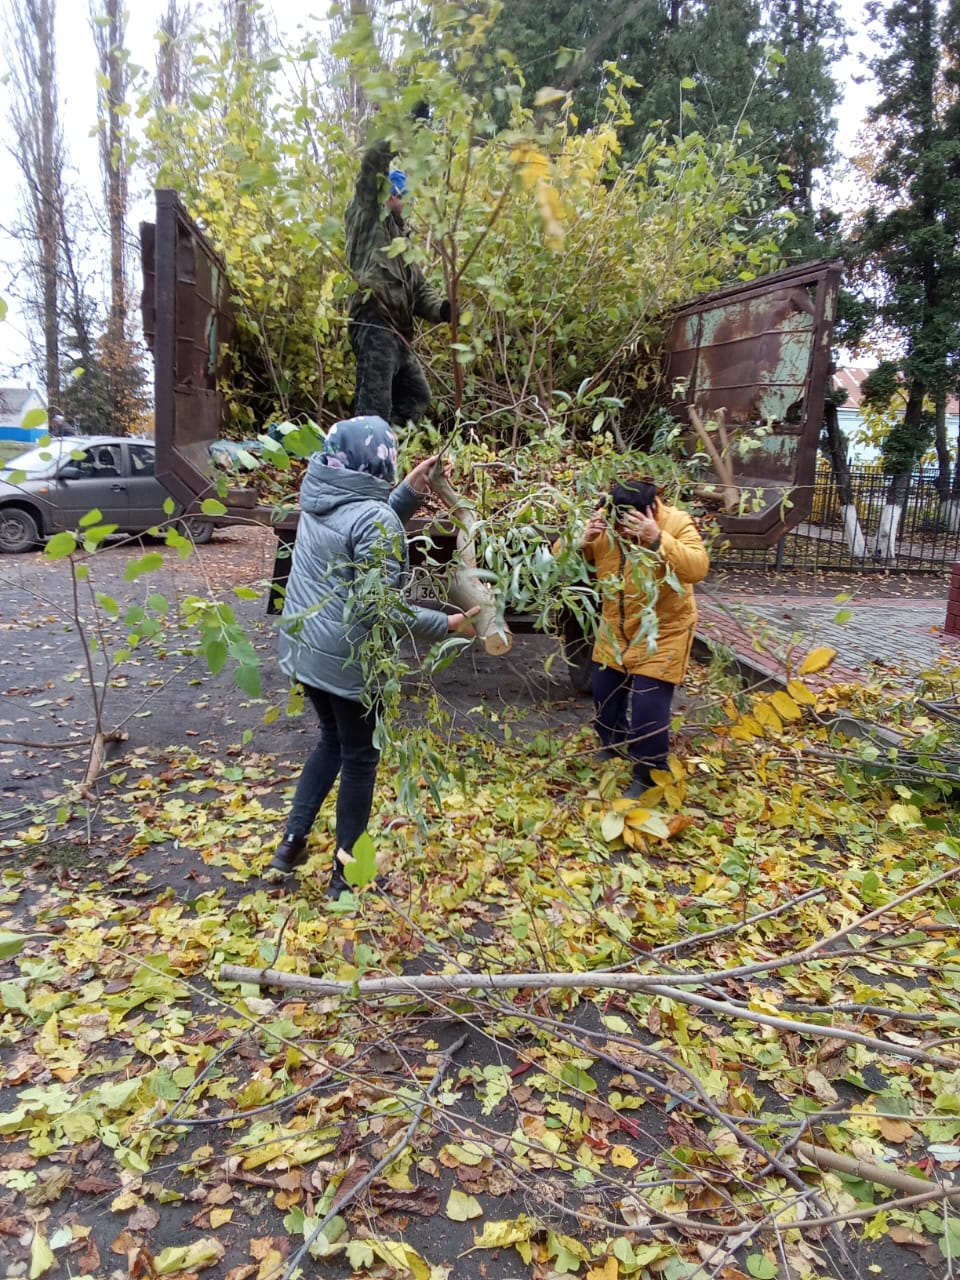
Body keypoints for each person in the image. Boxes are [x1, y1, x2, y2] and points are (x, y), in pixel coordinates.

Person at [271, 414, 476, 894]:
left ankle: (291, 843)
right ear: (379, 462)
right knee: (361, 756)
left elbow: (363, 531)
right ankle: (347, 874)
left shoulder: (319, 494)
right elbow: (379, 607)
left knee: (330, 742)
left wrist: (406, 492)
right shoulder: (374, 517)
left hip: (306, 650)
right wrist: (442, 624)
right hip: (348, 660)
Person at [576, 479, 709, 799]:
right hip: (615, 628)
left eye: (630, 526)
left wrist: (657, 540)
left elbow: (698, 567)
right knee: (604, 697)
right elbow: (572, 562)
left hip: (664, 630)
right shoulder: (605, 520)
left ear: (649, 511)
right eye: (618, 525)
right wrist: (581, 543)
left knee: (648, 704)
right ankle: (613, 744)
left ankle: (649, 773)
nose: (623, 534)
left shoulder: (675, 523)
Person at [344, 131, 453, 428]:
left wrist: (443, 310)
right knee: (373, 408)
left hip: (399, 333)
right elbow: (372, 164)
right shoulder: (366, 215)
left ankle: (387, 447)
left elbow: (417, 288)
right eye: (400, 195)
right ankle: (364, 463)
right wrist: (401, 130)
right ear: (389, 194)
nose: (403, 201)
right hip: (374, 321)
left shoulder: (401, 239)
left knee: (416, 396)